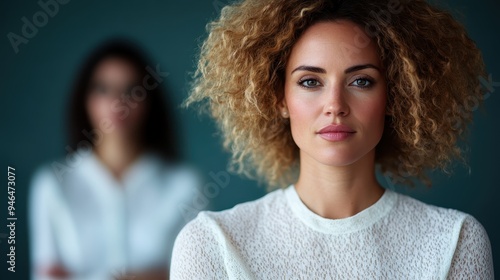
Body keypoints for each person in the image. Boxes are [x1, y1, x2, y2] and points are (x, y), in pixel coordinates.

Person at [170, 0, 494, 279]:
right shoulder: (214, 243)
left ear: (396, 96)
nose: (335, 106)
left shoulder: (454, 240)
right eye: (310, 81)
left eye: (361, 81)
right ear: (279, 98)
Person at [29, 39, 200, 280]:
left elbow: (198, 273)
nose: (118, 103)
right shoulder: (52, 183)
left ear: (149, 101)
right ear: (85, 99)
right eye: (104, 89)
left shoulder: (184, 184)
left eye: (131, 90)